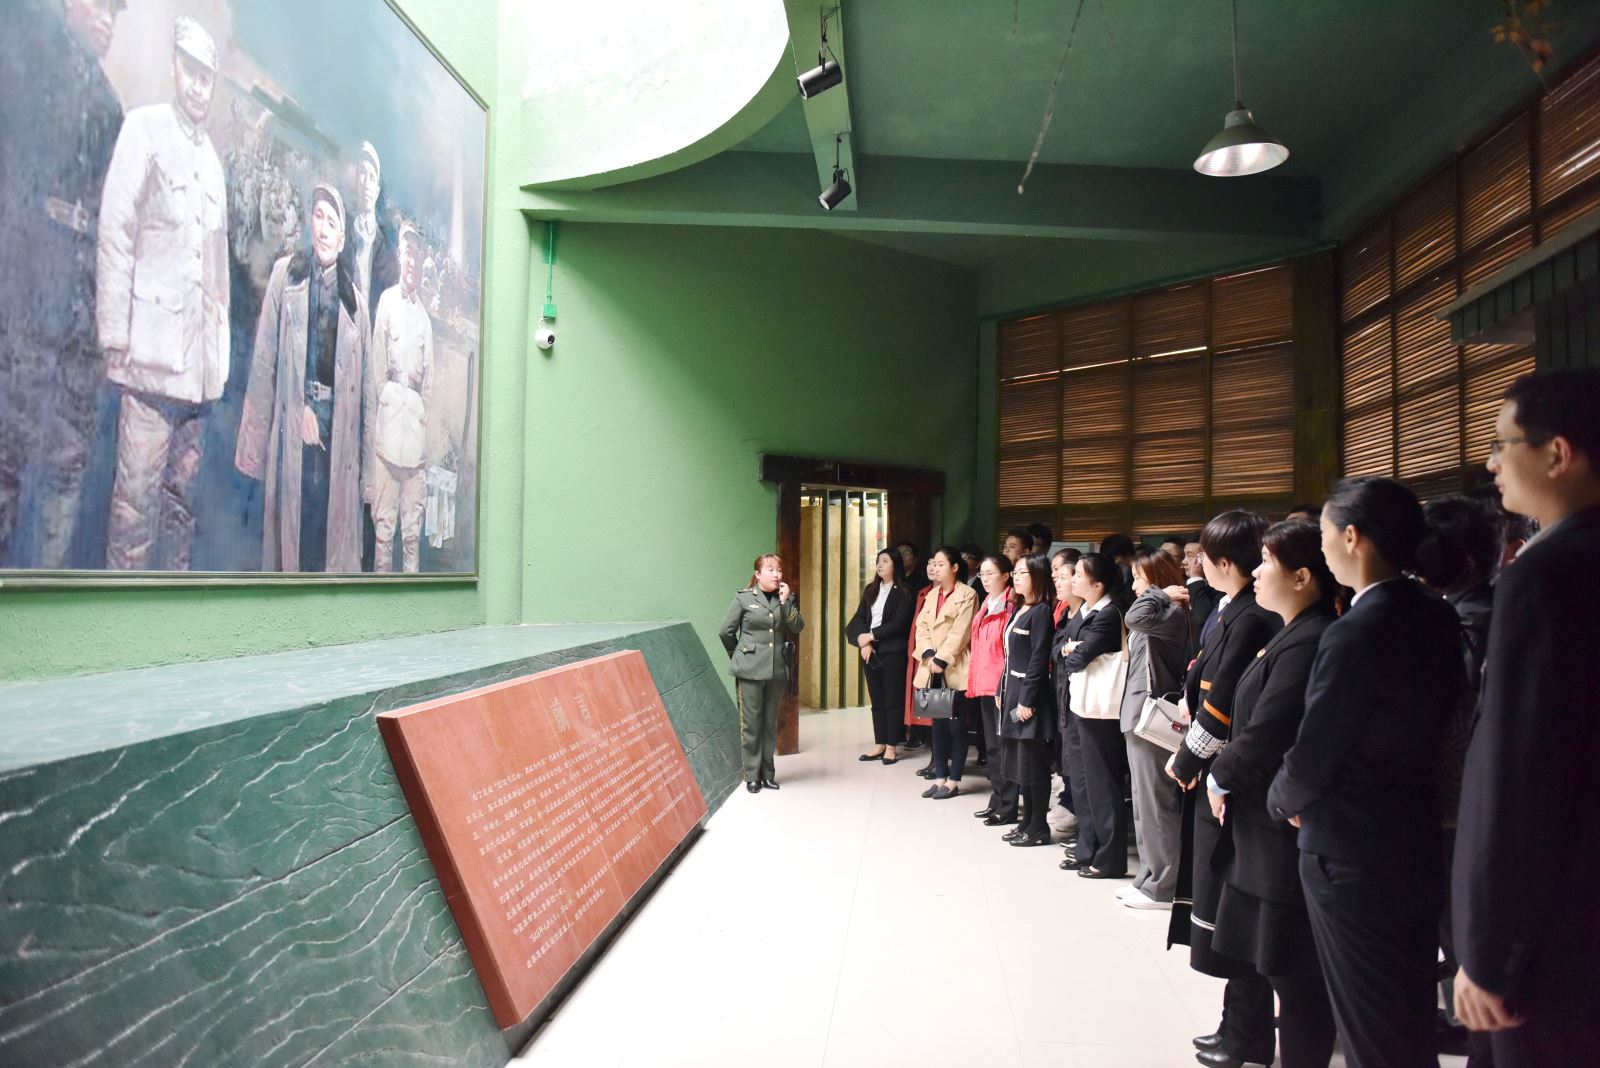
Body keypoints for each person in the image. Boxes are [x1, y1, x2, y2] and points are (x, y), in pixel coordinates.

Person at [1267, 478, 1464, 1068]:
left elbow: (1317, 746)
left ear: (1352, 537)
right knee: (1405, 1010)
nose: (1324, 547)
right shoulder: (1435, 612)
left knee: (1369, 1021)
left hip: (1349, 846)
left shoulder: (1355, 630)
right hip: (1414, 831)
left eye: (1326, 534)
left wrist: (1282, 798)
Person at [1453, 370, 1600, 1066]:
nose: (1491, 463)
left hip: (1558, 928)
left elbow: (1520, 772)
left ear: (1558, 453)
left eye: (1500, 443)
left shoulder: (1546, 576)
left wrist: (1489, 952)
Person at [96, 16, 229, 571]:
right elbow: (115, 231)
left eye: (207, 77)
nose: (197, 86)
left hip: (196, 378)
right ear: (175, 67)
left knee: (180, 516)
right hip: (149, 364)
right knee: (133, 510)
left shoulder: (213, 166)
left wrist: (218, 367)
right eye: (190, 71)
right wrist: (114, 335)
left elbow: (218, 279)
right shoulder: (144, 130)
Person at [1206, 519, 1339, 1068]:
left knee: (1290, 965)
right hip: (1257, 816)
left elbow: (1269, 728)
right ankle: (1247, 1037)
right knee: (1258, 950)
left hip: (1276, 818)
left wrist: (1219, 775)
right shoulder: (1290, 631)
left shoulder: (1309, 639)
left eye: (1267, 563)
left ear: (1302, 577)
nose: (1256, 573)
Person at [0, 0, 125, 568]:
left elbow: (108, 223)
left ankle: (45, 581)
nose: (107, 21)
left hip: (79, 303)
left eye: (116, 13)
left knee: (68, 460)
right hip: (22, 287)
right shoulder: (20, 56)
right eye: (99, 5)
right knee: (8, 444)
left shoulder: (110, 109)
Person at [1167, 510, 1280, 1068]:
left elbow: (1222, 703)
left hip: (1228, 776)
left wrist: (1188, 758)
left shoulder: (1254, 617)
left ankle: (1247, 1031)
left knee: (1236, 911)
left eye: (1203, 558)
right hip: (1218, 771)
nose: (1196, 566)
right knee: (1226, 910)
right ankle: (1237, 1025)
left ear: (1226, 563)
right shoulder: (1229, 609)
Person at [235, 184, 372, 572]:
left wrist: (368, 485)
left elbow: (368, 401)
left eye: (333, 222)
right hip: (293, 436)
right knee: (291, 545)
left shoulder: (356, 308)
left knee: (327, 548)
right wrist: (256, 450)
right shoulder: (286, 278)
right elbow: (264, 365)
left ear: (342, 239)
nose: (324, 229)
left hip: (337, 448)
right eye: (318, 217)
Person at [1119, 547, 1189, 910]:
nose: (1134, 587)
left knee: (1157, 803)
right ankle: (1148, 878)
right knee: (1144, 804)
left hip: (1151, 717)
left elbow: (1133, 617)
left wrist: (1158, 594)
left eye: (1139, 579)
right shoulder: (1162, 610)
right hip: (1136, 715)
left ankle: (1162, 888)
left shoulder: (1171, 613)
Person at [1055, 553, 1128, 877]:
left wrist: (1073, 650)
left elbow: (1077, 658)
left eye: (1078, 575)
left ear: (1097, 584)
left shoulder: (1108, 614)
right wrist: (1070, 649)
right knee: (1082, 782)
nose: (1072, 579)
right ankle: (1088, 848)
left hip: (1100, 713)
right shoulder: (1083, 611)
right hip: (1079, 706)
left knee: (1102, 784)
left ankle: (1109, 858)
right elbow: (1060, 649)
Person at [369, 224, 434, 572]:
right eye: (407, 252)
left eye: (417, 254)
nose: (412, 261)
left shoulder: (424, 319)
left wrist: (419, 414)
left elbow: (429, 384)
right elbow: (377, 369)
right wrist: (387, 401)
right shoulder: (387, 303)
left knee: (411, 536)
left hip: (414, 445)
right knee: (384, 532)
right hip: (388, 435)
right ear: (399, 256)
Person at [719, 554, 805, 794]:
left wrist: (786, 602)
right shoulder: (744, 598)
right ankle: (752, 776)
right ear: (758, 574)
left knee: (769, 724)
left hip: (776, 672)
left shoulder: (785, 598)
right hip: (749, 671)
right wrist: (739, 656)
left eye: (779, 570)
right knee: (751, 725)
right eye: (770, 569)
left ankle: (768, 774)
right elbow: (726, 631)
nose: (776, 574)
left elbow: (798, 626)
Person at [996, 553, 1057, 846]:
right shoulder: (1020, 609)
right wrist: (1001, 690)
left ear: (1038, 576)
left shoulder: (1041, 611)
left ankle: (1038, 827)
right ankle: (1026, 822)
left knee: (1033, 763)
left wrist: (1027, 700)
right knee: (1020, 762)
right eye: (1015, 572)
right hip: (1013, 694)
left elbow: (1038, 658)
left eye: (1023, 572)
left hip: (1029, 698)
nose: (1016, 577)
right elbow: (1009, 657)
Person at [912, 547, 978, 799]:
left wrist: (941, 658)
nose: (935, 568)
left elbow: (962, 631)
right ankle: (939, 777)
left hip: (954, 666)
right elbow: (921, 627)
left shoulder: (968, 594)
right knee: (937, 725)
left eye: (941, 564)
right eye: (933, 563)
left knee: (956, 726)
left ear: (954, 567)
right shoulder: (932, 594)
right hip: (931, 667)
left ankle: (954, 780)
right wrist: (929, 654)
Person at [846, 548, 913, 763]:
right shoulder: (871, 589)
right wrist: (864, 642)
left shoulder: (904, 592)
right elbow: (859, 618)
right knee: (877, 700)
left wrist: (871, 636)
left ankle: (892, 746)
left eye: (885, 561)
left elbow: (899, 623)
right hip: (870, 652)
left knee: (892, 700)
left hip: (893, 652)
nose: (879, 564)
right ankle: (880, 743)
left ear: (895, 565)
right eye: (878, 560)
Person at [968, 555, 1016, 825]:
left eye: (990, 573)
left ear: (1006, 576)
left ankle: (1007, 805)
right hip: (984, 684)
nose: (985, 579)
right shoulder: (987, 602)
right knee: (993, 747)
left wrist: (1001, 685)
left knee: (1003, 746)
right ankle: (997, 799)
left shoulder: (1011, 606)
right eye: (982, 574)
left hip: (1001, 686)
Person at [1048, 548, 1084, 842]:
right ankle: (1068, 802)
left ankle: (1077, 813)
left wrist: (1064, 651)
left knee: (1077, 757)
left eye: (1062, 576)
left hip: (1081, 697)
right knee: (1065, 752)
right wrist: (1063, 649)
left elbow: (1077, 656)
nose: (1056, 581)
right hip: (1061, 691)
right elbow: (1056, 651)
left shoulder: (1089, 615)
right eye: (1055, 576)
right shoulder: (1063, 613)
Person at [347, 141, 397, 322]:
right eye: (362, 173)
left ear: (377, 191)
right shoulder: (343, 233)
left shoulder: (386, 248)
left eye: (372, 177)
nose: (366, 183)